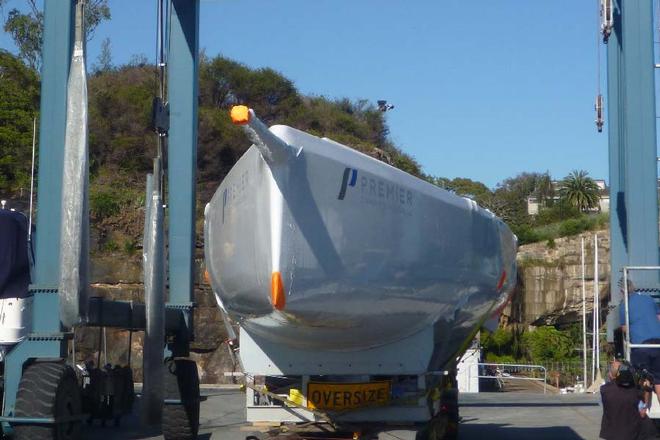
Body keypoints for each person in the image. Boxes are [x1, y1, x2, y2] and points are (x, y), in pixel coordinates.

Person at [619, 278, 660, 406]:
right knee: (659, 381)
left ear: (622, 291)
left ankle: (643, 411)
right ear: (634, 288)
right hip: (658, 343)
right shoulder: (649, 299)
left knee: (643, 379)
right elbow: (659, 317)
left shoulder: (623, 305)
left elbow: (624, 328)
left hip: (641, 345)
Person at [600, 360, 645, 440]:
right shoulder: (635, 391)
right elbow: (642, 412)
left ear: (611, 375)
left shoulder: (605, 390)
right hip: (632, 433)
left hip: (611, 434)